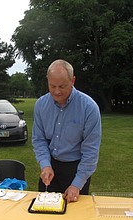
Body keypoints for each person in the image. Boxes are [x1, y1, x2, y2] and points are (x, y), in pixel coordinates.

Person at [32, 59, 102, 203]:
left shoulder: (89, 108)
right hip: (50, 166)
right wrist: (45, 164)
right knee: (45, 218)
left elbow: (90, 151)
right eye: (52, 86)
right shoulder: (40, 105)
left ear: (73, 80)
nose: (57, 91)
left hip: (76, 169)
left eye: (62, 86)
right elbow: (39, 139)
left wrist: (77, 184)